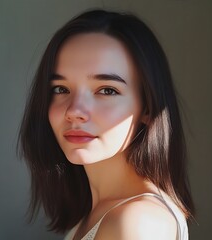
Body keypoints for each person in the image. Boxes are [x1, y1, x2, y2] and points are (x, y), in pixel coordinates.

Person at [18, 9, 195, 240]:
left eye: (107, 90)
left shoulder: (137, 223)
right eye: (61, 89)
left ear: (148, 108)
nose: (74, 111)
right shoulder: (98, 214)